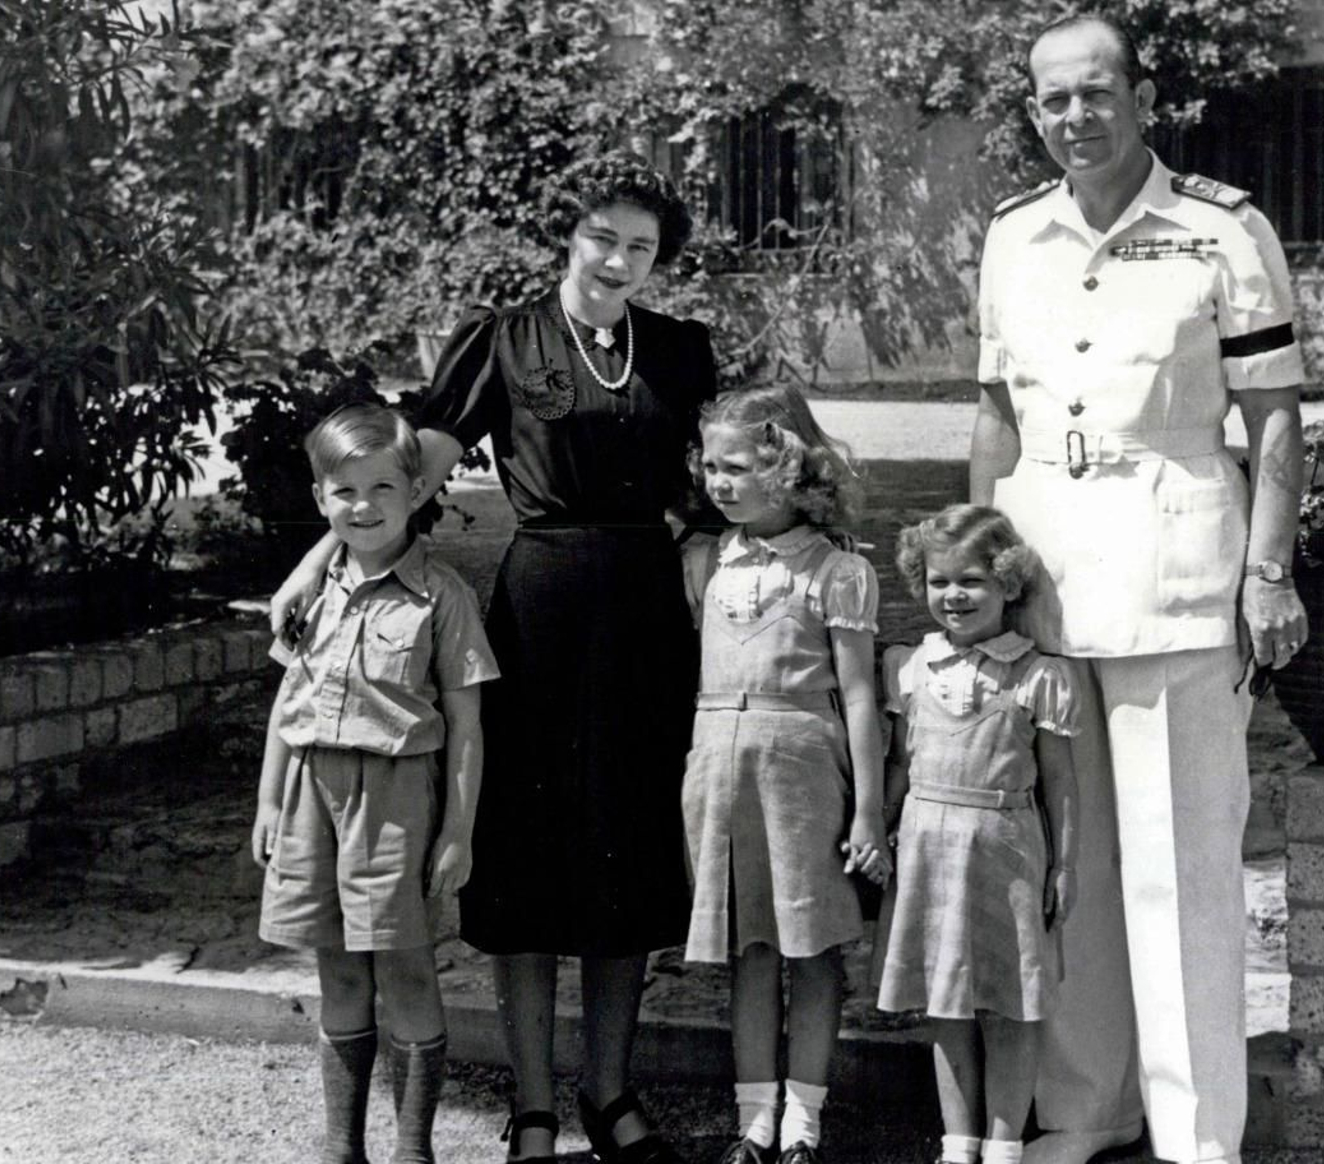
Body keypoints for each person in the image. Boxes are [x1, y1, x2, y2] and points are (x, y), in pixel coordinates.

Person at [268, 153, 715, 1164]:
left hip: (646, 616)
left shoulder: (681, 350)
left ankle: (609, 1091)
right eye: (602, 237)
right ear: (570, 235)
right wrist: (316, 562)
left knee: (627, 853)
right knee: (531, 860)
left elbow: (710, 481)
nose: (617, 259)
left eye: (640, 247)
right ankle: (534, 1104)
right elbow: (402, 476)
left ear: (657, 262)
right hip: (542, 606)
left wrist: (697, 546)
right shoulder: (504, 341)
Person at [969, 15, 1309, 1164]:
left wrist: (1267, 573)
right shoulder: (1013, 235)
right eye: (1053, 99)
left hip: (1177, 577)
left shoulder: (1220, 228)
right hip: (1048, 580)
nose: (1075, 117)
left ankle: (1196, 1131)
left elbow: (1273, 420)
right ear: (1034, 112)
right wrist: (975, 570)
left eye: (1096, 93)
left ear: (1141, 94)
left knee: (1182, 868)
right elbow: (995, 418)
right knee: (1070, 865)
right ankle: (1087, 1108)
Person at [251, 403, 499, 1164]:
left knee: (404, 966)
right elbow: (288, 707)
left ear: (417, 490)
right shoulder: (311, 594)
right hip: (307, 795)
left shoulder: (442, 597)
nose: (363, 507)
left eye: (384, 489)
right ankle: (340, 1147)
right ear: (321, 497)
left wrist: (458, 829)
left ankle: (412, 1150)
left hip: (395, 800)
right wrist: (267, 800)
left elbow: (466, 725)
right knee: (335, 964)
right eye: (344, 491)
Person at [682, 384, 890, 1164]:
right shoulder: (706, 560)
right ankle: (754, 1120)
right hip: (719, 773)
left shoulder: (835, 570)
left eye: (735, 467)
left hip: (802, 772)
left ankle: (804, 1119)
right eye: (709, 465)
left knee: (811, 946)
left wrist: (868, 812)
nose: (718, 481)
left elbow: (861, 695)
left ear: (786, 468)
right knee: (751, 945)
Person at [875, 504, 1080, 1164]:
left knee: (1010, 1004)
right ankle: (957, 1143)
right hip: (929, 849)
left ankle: (1003, 1146)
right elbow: (903, 764)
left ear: (1007, 585)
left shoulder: (1036, 674)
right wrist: (875, 828)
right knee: (947, 1003)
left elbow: (1059, 780)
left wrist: (1065, 864)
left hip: (1006, 849)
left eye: (971, 582)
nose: (953, 596)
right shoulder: (912, 667)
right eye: (939, 582)